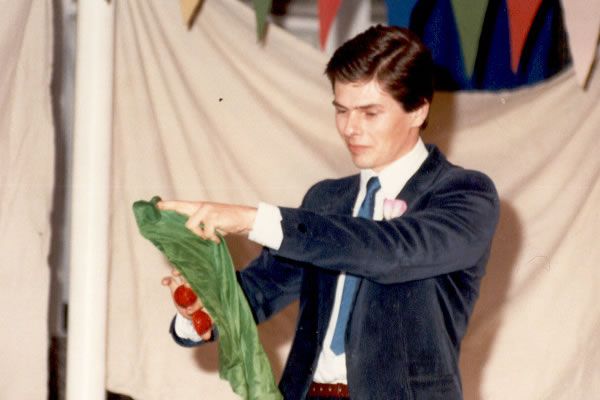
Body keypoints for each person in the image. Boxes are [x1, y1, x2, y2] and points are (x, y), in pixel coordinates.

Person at [159, 25, 499, 400]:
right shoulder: (324, 200)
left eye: (370, 113)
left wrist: (251, 219)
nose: (350, 128)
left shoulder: (465, 194)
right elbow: (258, 293)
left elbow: (387, 251)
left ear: (418, 109)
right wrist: (202, 305)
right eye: (341, 111)